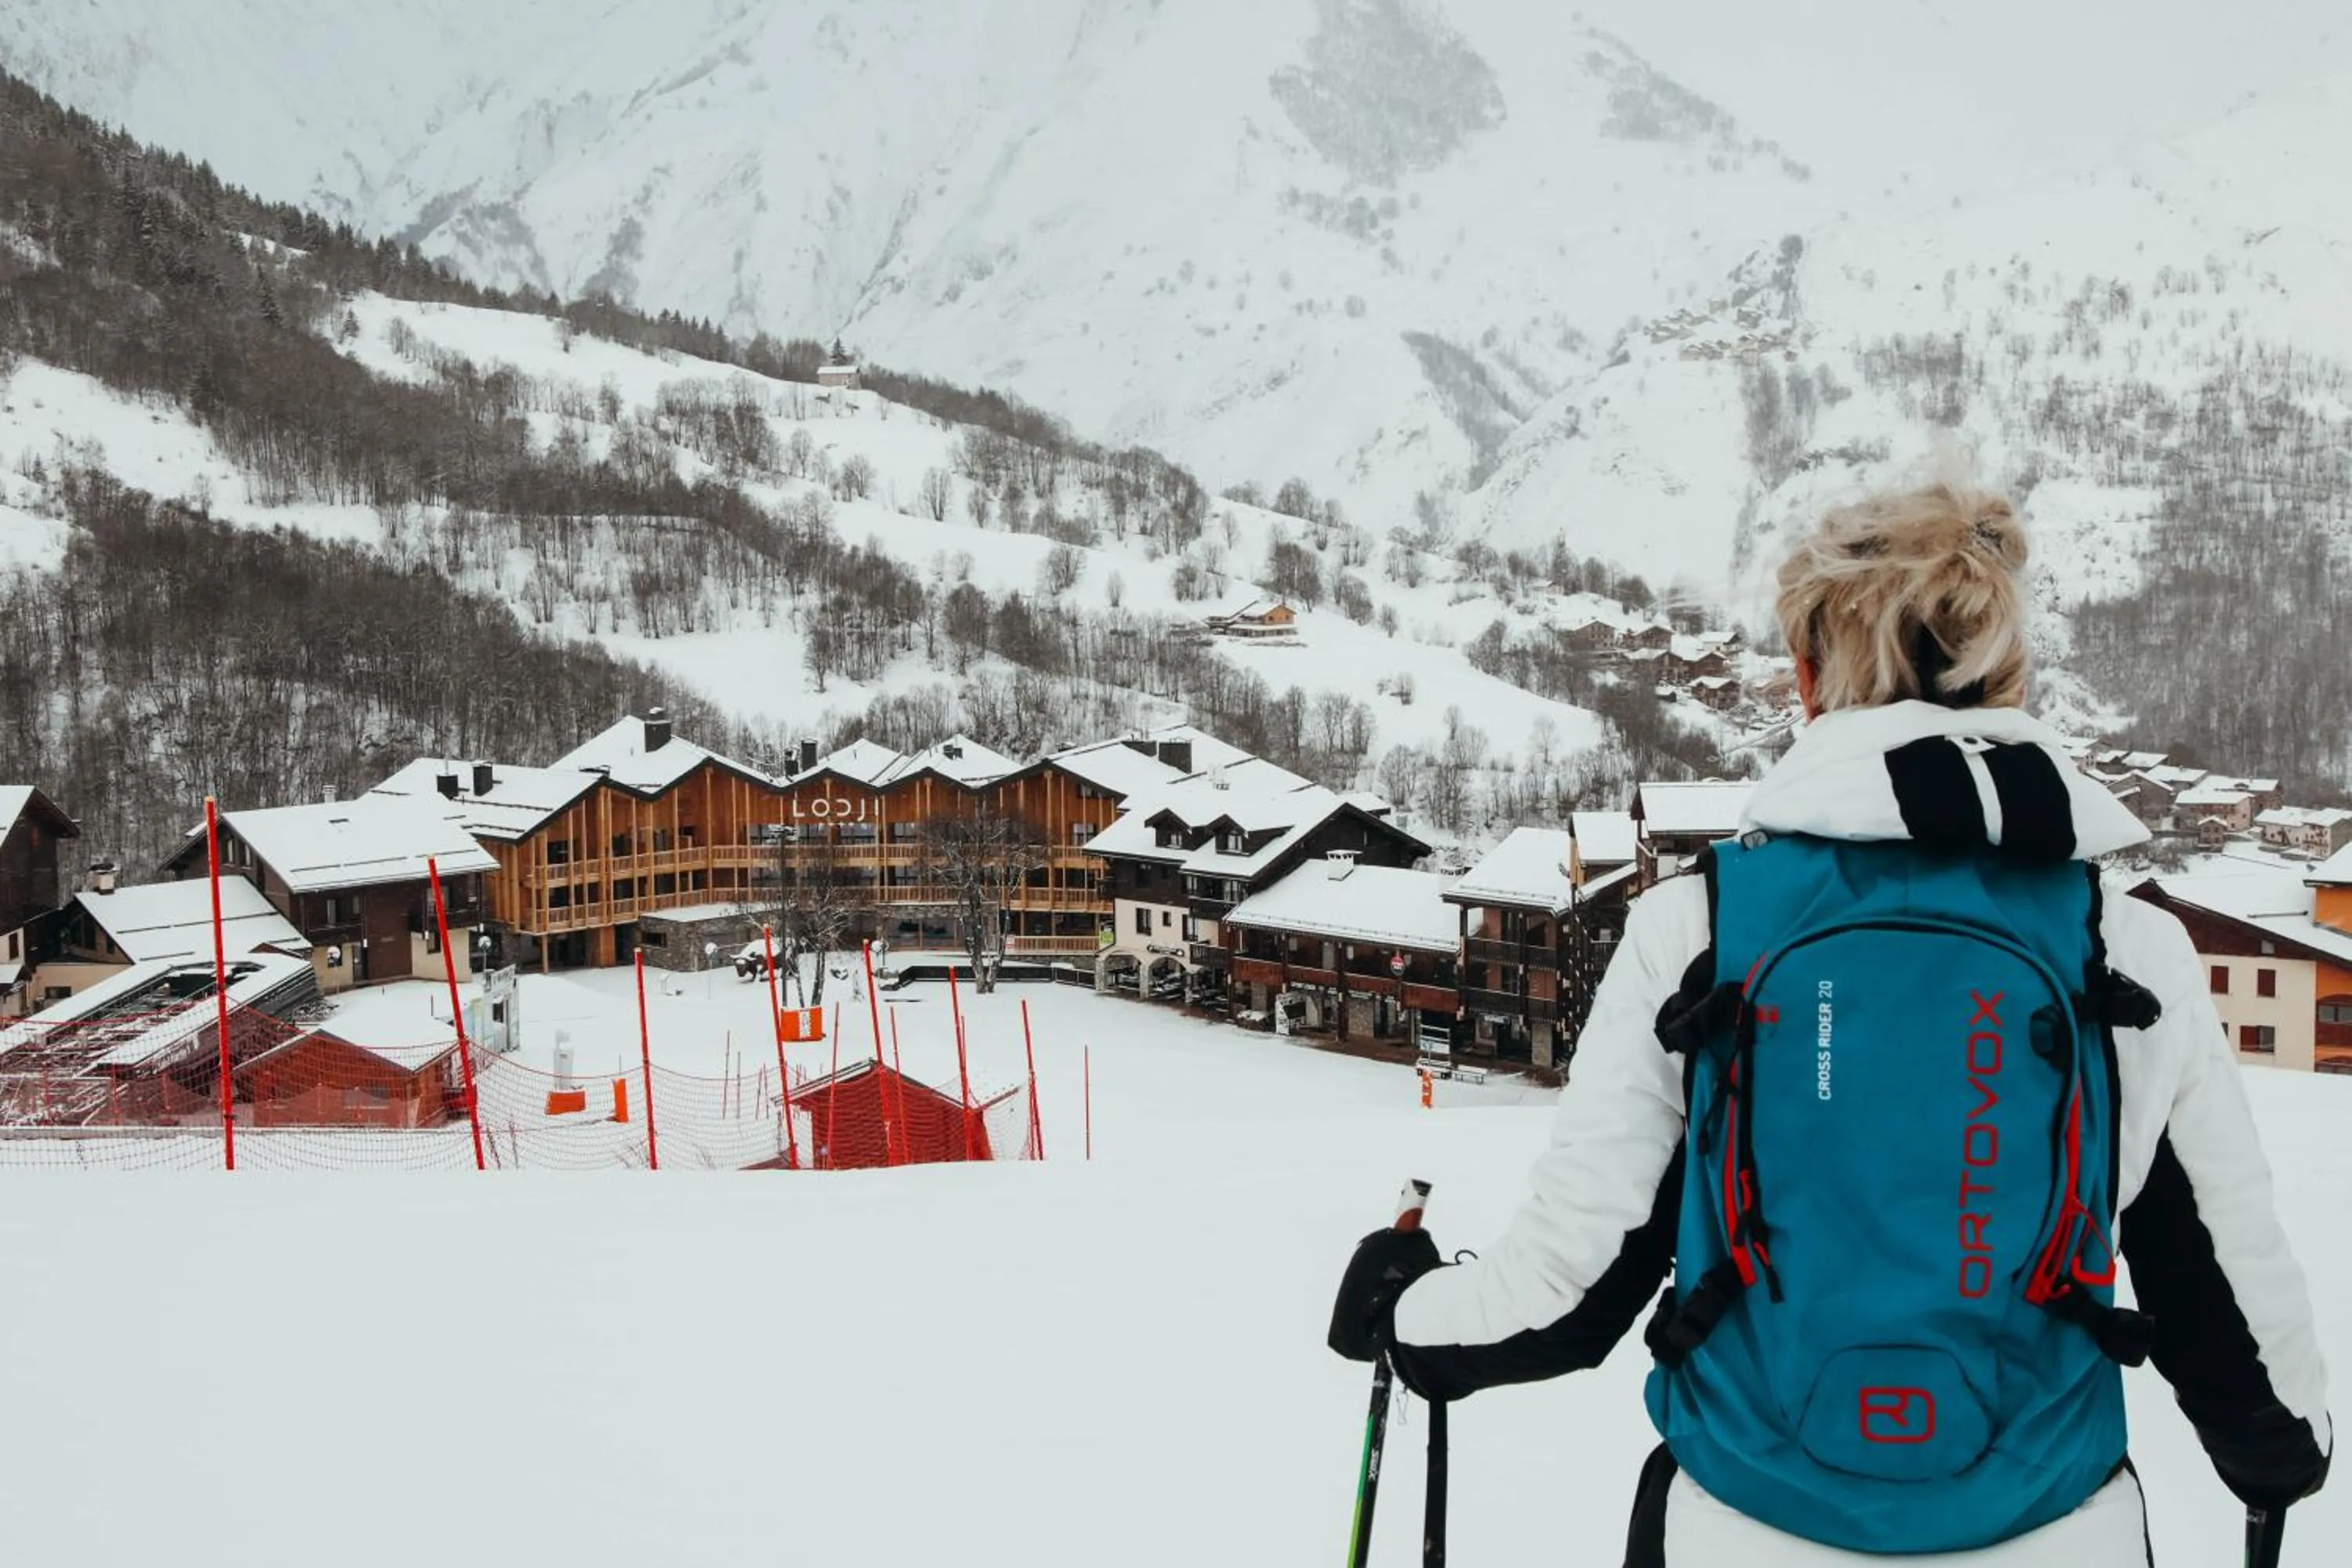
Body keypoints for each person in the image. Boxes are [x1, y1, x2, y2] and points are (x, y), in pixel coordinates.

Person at [1329, 482, 2330, 1564]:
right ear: (2006, 679)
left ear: (1809, 677)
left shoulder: (1699, 929)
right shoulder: (2125, 947)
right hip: (2056, 1530)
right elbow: (2242, 1342)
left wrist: (1410, 1320)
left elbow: (1567, 1294)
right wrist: (2279, 1460)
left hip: (1738, 1531)